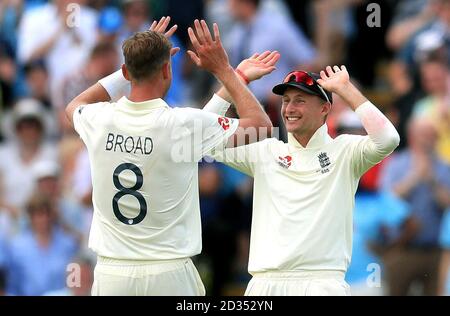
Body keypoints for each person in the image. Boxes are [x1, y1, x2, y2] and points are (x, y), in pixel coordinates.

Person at [65, 17, 276, 296]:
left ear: (127, 72)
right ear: (168, 69)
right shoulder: (182, 125)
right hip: (168, 273)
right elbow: (260, 126)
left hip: (112, 273)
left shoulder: (99, 118)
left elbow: (74, 105)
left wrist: (130, 66)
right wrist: (226, 71)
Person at [206, 66, 400, 295]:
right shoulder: (266, 151)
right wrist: (236, 79)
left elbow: (388, 139)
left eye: (300, 100)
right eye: (285, 100)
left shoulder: (345, 151)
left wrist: (346, 89)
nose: (289, 108)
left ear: (324, 108)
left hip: (322, 284)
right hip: (265, 285)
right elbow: (205, 137)